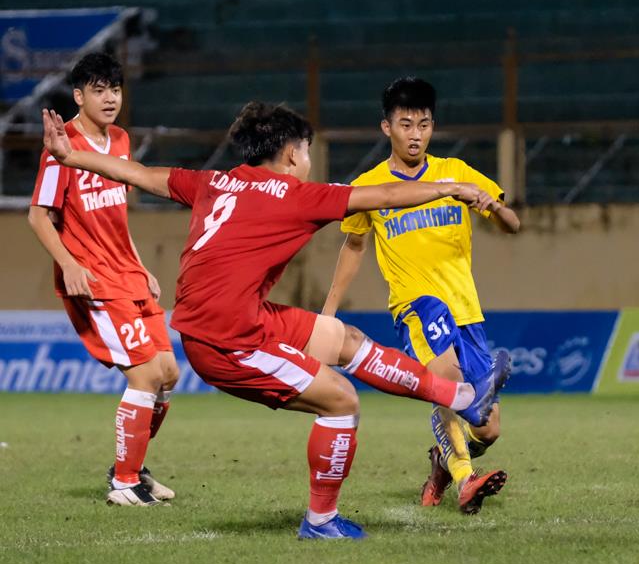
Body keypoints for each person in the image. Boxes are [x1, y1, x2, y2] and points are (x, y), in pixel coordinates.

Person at [42, 102, 508, 539]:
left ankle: (464, 398)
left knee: (343, 338)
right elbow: (384, 194)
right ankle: (321, 520)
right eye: (306, 151)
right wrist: (450, 187)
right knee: (342, 401)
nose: (308, 160)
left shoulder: (214, 181)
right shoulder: (292, 195)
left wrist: (71, 154)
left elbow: (140, 174)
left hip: (229, 319)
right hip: (228, 341)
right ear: (290, 154)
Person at [323, 77, 520, 515]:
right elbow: (354, 246)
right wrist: (329, 312)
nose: (416, 135)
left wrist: (493, 206)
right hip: (417, 305)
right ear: (386, 128)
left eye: (425, 125)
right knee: (448, 381)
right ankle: (467, 482)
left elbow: (513, 224)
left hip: (466, 310)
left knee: (488, 430)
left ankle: (445, 463)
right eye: (406, 124)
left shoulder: (457, 173)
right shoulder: (371, 187)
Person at [28, 53, 181, 506]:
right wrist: (71, 265)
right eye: (99, 89)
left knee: (169, 374)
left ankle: (127, 465)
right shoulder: (62, 145)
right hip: (94, 279)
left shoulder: (120, 140)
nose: (110, 97)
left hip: (127, 273)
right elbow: (39, 217)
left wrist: (140, 264)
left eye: (115, 88)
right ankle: (125, 482)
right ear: (79, 96)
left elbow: (117, 217)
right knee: (146, 374)